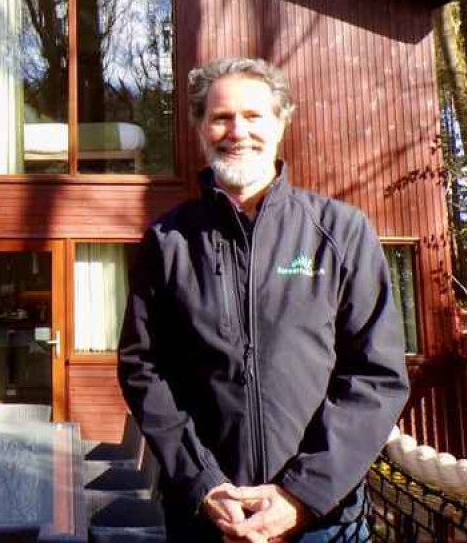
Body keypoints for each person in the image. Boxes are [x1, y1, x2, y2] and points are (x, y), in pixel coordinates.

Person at [118, 58, 408, 543]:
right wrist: (205, 484)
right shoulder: (167, 241)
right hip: (207, 518)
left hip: (322, 519)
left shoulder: (340, 232)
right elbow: (143, 369)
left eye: (253, 116)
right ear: (200, 129)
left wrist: (300, 495)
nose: (238, 131)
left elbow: (376, 376)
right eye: (221, 117)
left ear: (280, 123)